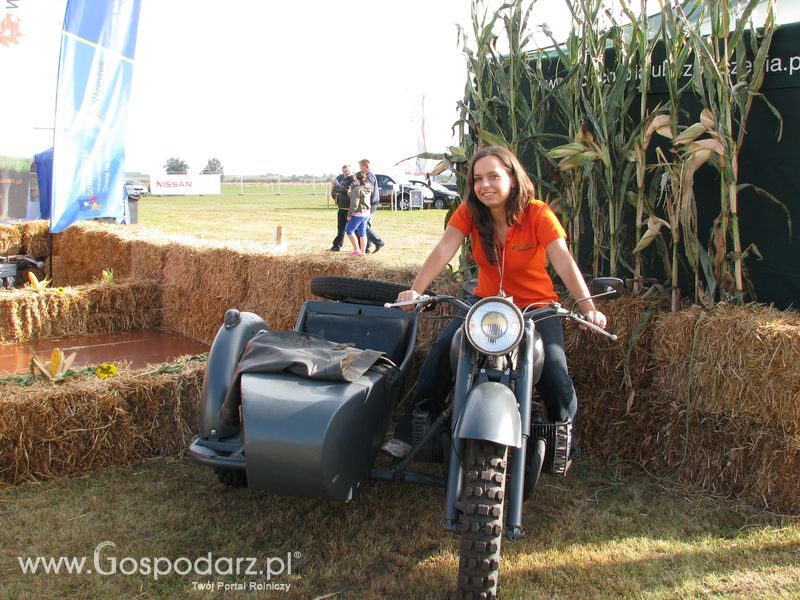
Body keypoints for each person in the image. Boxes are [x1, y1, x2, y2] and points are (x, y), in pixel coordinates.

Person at [381, 145, 608, 458]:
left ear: (512, 178)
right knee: (443, 351)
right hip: (484, 305)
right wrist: (415, 291)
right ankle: (412, 430)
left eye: (493, 176)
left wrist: (589, 309)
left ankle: (563, 435)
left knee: (554, 371)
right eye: (477, 179)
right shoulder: (470, 213)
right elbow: (444, 249)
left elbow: (563, 261)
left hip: (536, 307)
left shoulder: (538, 213)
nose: (484, 185)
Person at [357, 159, 385, 254]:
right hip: (370, 203)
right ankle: (367, 248)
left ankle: (378, 241)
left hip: (371, 203)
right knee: (366, 224)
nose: (360, 168)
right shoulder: (368, 176)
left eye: (361, 166)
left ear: (365, 166)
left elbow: (368, 190)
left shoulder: (369, 177)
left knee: (363, 224)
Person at [343, 171, 372, 256]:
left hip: (358, 213)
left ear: (357, 179)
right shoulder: (367, 188)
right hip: (366, 213)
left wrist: (349, 214)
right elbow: (360, 197)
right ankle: (362, 252)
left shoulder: (356, 188)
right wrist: (350, 193)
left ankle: (356, 250)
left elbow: (354, 203)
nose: (354, 181)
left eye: (354, 179)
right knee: (362, 233)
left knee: (349, 230)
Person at [329, 165, 353, 251]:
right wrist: (333, 187)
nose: (346, 173)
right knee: (340, 228)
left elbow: (345, 190)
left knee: (355, 230)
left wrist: (337, 186)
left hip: (350, 208)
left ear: (351, 171)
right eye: (344, 171)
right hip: (341, 207)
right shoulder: (342, 178)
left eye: (348, 171)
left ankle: (363, 247)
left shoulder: (353, 179)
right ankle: (337, 246)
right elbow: (335, 191)